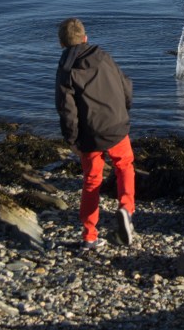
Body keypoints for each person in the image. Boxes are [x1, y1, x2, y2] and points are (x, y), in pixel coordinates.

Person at [55, 17, 135, 249]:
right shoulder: (104, 56)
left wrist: (72, 139)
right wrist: (124, 110)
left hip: (89, 135)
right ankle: (126, 209)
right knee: (124, 166)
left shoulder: (66, 70)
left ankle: (90, 235)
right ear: (85, 38)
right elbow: (126, 85)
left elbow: (66, 110)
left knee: (91, 180)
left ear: (62, 44)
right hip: (116, 125)